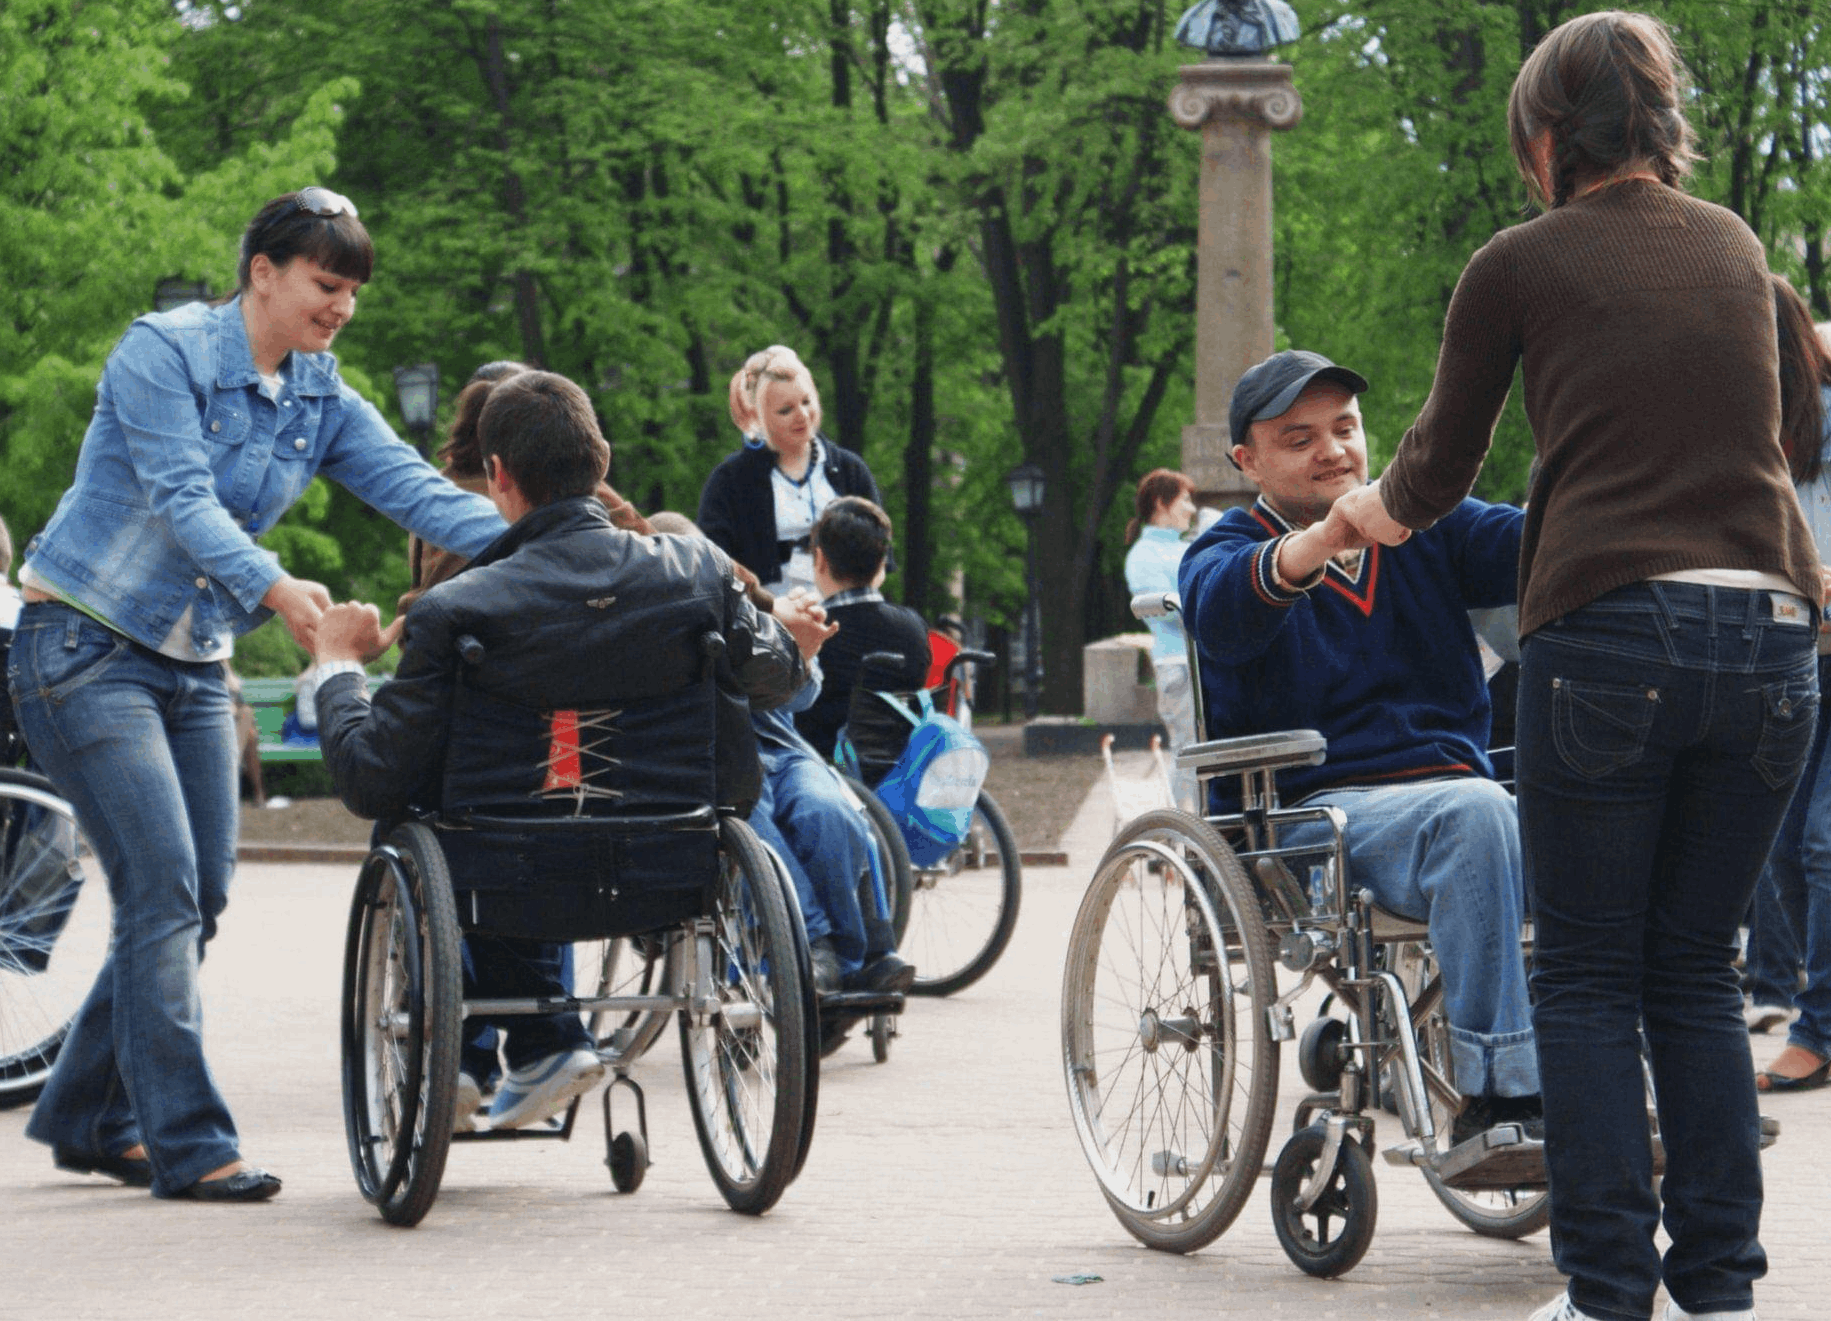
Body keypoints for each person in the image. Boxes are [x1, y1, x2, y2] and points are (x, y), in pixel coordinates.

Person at [1329, 15, 1819, 1321]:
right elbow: (1788, 426)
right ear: (1657, 125)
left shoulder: (1518, 262)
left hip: (1610, 635)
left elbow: (1430, 475)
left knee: (1589, 975)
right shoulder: (1731, 245)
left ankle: (1606, 1294)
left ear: (1543, 136)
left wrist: (1344, 524)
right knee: (1696, 971)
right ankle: (1715, 1290)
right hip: (1773, 640)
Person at [5, 188, 506, 1202]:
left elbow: (415, 488)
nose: (342, 309)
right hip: (85, 645)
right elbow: (183, 499)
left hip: (191, 663)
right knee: (163, 889)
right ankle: (186, 1141)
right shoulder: (165, 352)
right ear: (263, 271)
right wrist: (280, 593)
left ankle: (86, 1111)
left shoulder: (319, 394)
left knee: (203, 895)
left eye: (353, 292)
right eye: (328, 284)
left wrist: (573, 535)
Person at [311, 371, 821, 1130]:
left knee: (422, 818)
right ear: (603, 459)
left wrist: (338, 669)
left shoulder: (454, 608)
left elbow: (373, 777)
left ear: (496, 478)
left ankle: (462, 1051)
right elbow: (777, 677)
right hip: (674, 862)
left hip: (503, 875)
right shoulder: (697, 572)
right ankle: (544, 1043)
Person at [1179, 349, 1539, 1148]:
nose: (1333, 449)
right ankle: (1498, 1098)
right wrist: (1322, 540)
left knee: (1621, 817)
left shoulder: (1429, 530)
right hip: (1310, 824)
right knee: (1476, 811)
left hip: (1456, 802)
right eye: (1298, 437)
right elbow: (1224, 608)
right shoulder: (1220, 548)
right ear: (1248, 460)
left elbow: (1543, 539)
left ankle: (1632, 1087)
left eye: (1344, 427)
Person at [647, 511, 913, 998]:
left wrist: (800, 658)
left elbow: (804, 697)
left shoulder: (745, 609)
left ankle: (852, 957)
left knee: (826, 809)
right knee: (756, 819)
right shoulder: (645, 632)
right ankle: (815, 947)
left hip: (780, 748)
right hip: (712, 763)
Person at [1739, 275, 1831, 1094]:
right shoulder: (1736, 419)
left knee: (1823, 840)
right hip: (1791, 648)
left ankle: (1818, 1029)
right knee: (1781, 844)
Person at [698, 345, 887, 599]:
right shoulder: (728, 482)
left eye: (806, 402)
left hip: (847, 616)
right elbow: (713, 566)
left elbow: (881, 555)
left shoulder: (850, 471)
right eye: (786, 410)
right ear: (759, 417)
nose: (802, 415)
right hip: (765, 622)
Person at [794, 497, 931, 764]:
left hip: (823, 766)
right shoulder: (913, 626)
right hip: (900, 763)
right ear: (881, 563)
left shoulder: (812, 630)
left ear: (820, 559)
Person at [1123, 469, 1201, 811]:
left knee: (1205, 753)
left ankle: (1200, 835)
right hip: (1178, 667)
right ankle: (1181, 836)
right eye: (1184, 500)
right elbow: (1162, 609)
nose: (1191, 509)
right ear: (1161, 502)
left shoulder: (1187, 547)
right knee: (1190, 753)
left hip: (1201, 663)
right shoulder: (1143, 556)